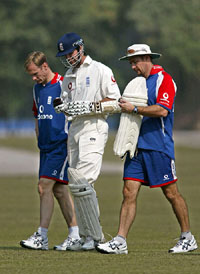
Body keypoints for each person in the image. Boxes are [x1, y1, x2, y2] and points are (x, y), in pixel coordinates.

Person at [96, 44, 198, 254]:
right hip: (136, 147)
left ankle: (187, 237)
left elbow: (162, 110)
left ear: (146, 58)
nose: (132, 66)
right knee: (128, 192)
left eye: (135, 62)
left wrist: (134, 108)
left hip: (158, 146)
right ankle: (120, 240)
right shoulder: (137, 83)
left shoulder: (164, 80)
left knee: (171, 193)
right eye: (130, 63)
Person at [54, 32, 121, 250]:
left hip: (94, 126)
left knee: (84, 182)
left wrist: (91, 107)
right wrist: (61, 106)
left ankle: (95, 236)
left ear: (81, 48)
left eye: (70, 52)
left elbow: (116, 102)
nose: (68, 58)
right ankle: (86, 237)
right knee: (76, 184)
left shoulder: (100, 70)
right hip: (74, 129)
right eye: (64, 55)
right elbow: (65, 101)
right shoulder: (68, 75)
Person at [20, 51, 81, 251]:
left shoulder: (64, 85)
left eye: (36, 73)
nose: (34, 78)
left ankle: (41, 236)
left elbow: (75, 113)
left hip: (61, 145)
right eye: (31, 75)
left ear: (45, 66)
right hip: (45, 147)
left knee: (43, 186)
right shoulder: (37, 89)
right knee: (59, 190)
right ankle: (75, 234)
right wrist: (38, 137)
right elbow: (38, 115)